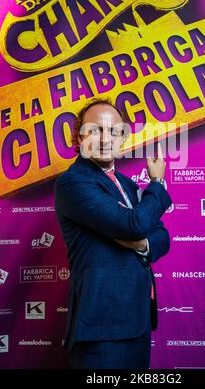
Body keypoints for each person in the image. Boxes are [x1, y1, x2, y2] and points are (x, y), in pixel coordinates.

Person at [54, 97, 172, 369]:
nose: (106, 138)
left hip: (137, 319)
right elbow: (135, 225)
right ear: (79, 137)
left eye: (113, 131)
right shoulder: (73, 182)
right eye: (95, 130)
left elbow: (162, 237)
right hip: (102, 327)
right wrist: (157, 182)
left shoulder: (129, 186)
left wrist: (140, 244)